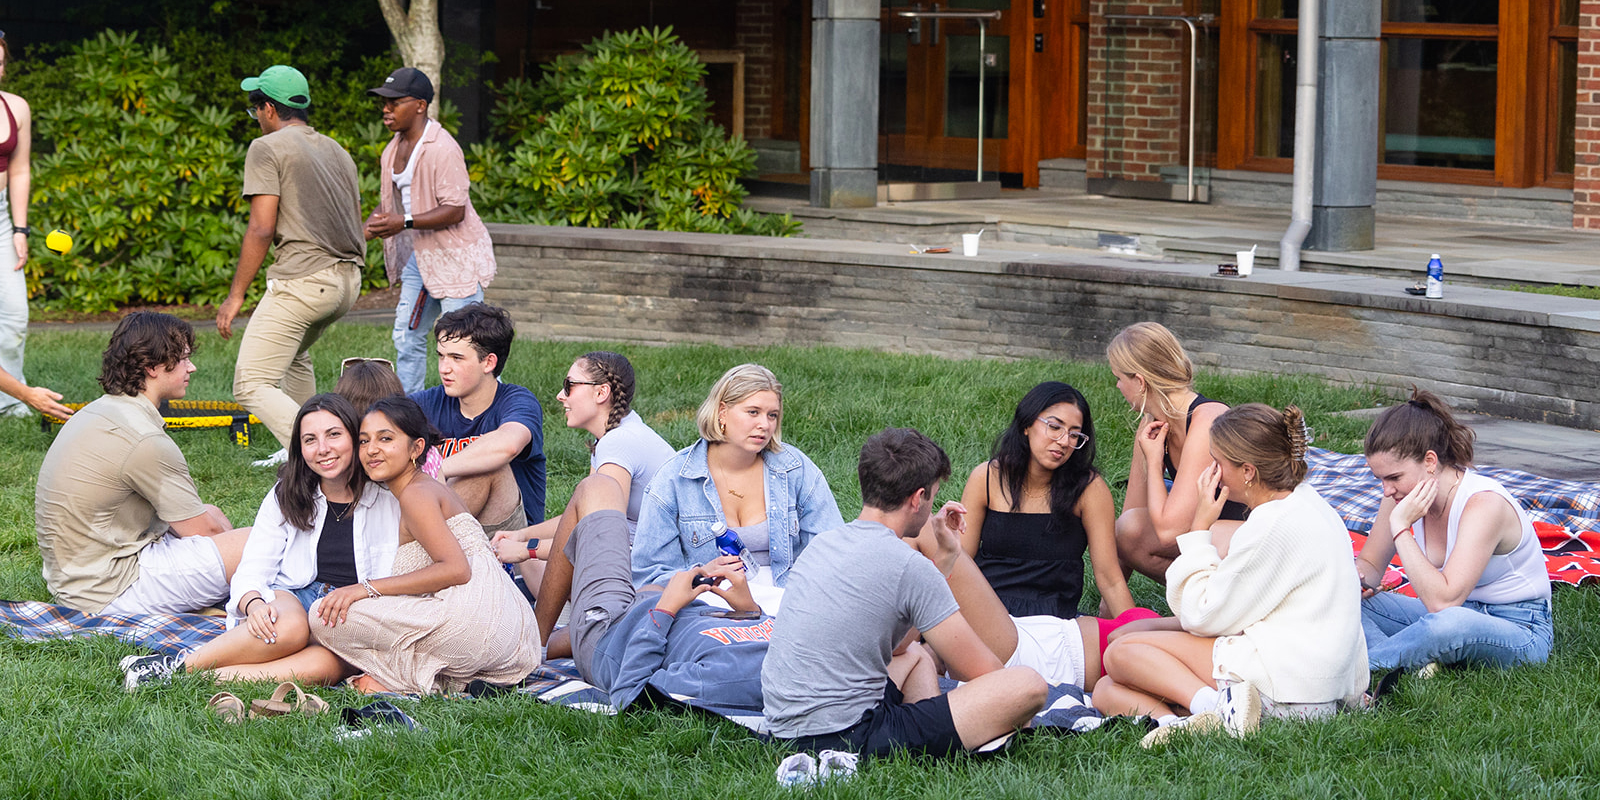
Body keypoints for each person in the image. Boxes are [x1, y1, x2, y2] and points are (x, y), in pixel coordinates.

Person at [1091, 405, 1368, 746]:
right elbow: (1234, 609)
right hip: (1310, 676)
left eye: (1217, 462)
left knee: (1121, 654)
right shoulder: (1308, 505)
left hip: (1293, 686)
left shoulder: (1272, 525)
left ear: (1248, 471)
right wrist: (1149, 627)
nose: (1211, 471)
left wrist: (1199, 528)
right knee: (1108, 686)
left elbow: (1203, 615)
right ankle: (1179, 722)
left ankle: (1220, 711)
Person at [762, 428, 1046, 757]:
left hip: (784, 726)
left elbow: (899, 648)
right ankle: (940, 739)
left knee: (916, 656)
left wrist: (943, 563)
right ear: (916, 498)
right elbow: (985, 672)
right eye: (932, 498)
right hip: (847, 735)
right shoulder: (908, 566)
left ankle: (935, 739)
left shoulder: (824, 543)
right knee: (1027, 685)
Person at [120, 394, 402, 689]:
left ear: (354, 437)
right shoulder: (288, 493)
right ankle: (176, 666)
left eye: (334, 435)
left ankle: (189, 678)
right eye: (310, 440)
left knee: (326, 667)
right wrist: (253, 603)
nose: (323, 449)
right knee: (290, 626)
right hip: (297, 594)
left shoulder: (387, 497)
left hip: (354, 607)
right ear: (299, 448)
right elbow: (254, 564)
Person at [308, 396, 541, 694]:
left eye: (386, 438)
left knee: (320, 616)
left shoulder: (416, 495)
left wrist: (363, 588)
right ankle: (443, 678)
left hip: (479, 628)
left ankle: (402, 678)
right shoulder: (424, 488)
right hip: (516, 634)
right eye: (364, 441)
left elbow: (457, 570)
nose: (371, 450)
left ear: (416, 448)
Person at [35, 313, 249, 615]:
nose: (192, 367)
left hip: (76, 580)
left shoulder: (101, 410)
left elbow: (201, 522)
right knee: (258, 542)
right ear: (152, 366)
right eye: (184, 359)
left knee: (213, 515)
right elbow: (208, 533)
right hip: (110, 590)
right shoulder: (144, 439)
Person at [217, 65, 364, 464]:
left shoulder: (267, 147)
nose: (257, 119)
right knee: (294, 355)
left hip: (305, 282)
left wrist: (235, 296)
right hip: (348, 282)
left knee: (251, 382)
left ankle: (318, 456)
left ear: (268, 109)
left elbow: (261, 228)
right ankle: (292, 448)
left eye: (256, 111)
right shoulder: (336, 150)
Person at [533, 473, 773, 713]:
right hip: (653, 607)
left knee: (598, 487)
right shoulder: (791, 646)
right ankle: (560, 640)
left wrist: (666, 608)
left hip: (610, 628)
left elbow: (630, 693)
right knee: (651, 587)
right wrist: (750, 610)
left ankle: (536, 646)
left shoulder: (730, 679)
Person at [1355, 388, 1553, 672]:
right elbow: (1370, 567)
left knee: (1449, 625)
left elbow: (1442, 602)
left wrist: (1401, 529)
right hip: (1452, 615)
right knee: (1346, 603)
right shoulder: (1398, 496)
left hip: (1519, 627)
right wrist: (1351, 581)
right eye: (1380, 479)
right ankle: (1408, 658)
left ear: (1430, 461)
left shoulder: (1483, 504)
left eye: (1394, 477)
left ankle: (1360, 669)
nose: (1387, 490)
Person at [631, 363, 843, 605]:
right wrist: (701, 576)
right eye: (753, 412)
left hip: (787, 599)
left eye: (772, 415)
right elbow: (650, 574)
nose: (764, 424)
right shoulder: (675, 478)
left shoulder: (795, 469)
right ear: (722, 412)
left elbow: (830, 550)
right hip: (709, 603)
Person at [490, 351, 675, 613]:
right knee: (533, 562)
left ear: (601, 393)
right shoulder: (615, 436)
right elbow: (579, 518)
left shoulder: (619, 444)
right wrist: (523, 534)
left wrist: (527, 549)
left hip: (653, 572)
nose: (560, 395)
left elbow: (603, 538)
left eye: (569, 386)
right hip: (645, 559)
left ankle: (559, 632)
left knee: (531, 562)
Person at [363, 67, 498, 395]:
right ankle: (409, 413)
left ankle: (488, 413)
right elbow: (391, 205)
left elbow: (455, 209)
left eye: (395, 102)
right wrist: (363, 230)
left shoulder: (442, 148)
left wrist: (403, 222)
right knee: (406, 336)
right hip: (420, 260)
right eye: (384, 102)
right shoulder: (392, 149)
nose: (386, 109)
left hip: (457, 261)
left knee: (465, 347)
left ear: (420, 105)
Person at [959, 381, 1135, 620]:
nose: (1064, 441)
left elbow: (1110, 580)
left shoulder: (1089, 489)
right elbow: (960, 562)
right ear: (1027, 425)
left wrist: (1136, 629)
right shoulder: (987, 478)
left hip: (1055, 622)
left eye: (1075, 434)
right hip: (987, 615)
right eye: (1055, 427)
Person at [1107, 321, 1247, 583]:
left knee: (1198, 535)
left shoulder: (1207, 420)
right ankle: (1202, 603)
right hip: (1212, 535)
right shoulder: (1151, 423)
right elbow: (1130, 519)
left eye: (1119, 378)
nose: (1117, 386)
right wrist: (1112, 605)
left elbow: (1169, 531)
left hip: (1258, 535)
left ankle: (1218, 607)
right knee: (1129, 529)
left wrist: (1154, 461)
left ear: (1139, 381)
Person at [411, 304, 545, 533]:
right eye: (441, 356)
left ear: (489, 362)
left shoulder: (517, 400)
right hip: (454, 533)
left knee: (488, 467)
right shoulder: (428, 402)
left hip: (509, 540)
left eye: (456, 358)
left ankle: (416, 548)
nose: (444, 368)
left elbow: (508, 446)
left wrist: (437, 469)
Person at [0, 35, 64, 419]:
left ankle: (9, 400)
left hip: (1, 218)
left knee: (14, 313)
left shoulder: (16, 108)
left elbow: (20, 170)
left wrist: (20, 231)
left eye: (1, 62)